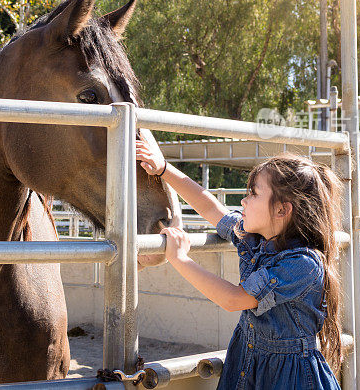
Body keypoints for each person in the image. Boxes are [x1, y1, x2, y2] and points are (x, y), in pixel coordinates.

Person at [136, 141, 343, 390]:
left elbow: (234, 299)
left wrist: (180, 258)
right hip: (248, 363)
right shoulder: (254, 239)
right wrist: (164, 170)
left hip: (290, 378)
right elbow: (211, 207)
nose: (244, 202)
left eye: (253, 194)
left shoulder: (303, 264)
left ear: (281, 210)